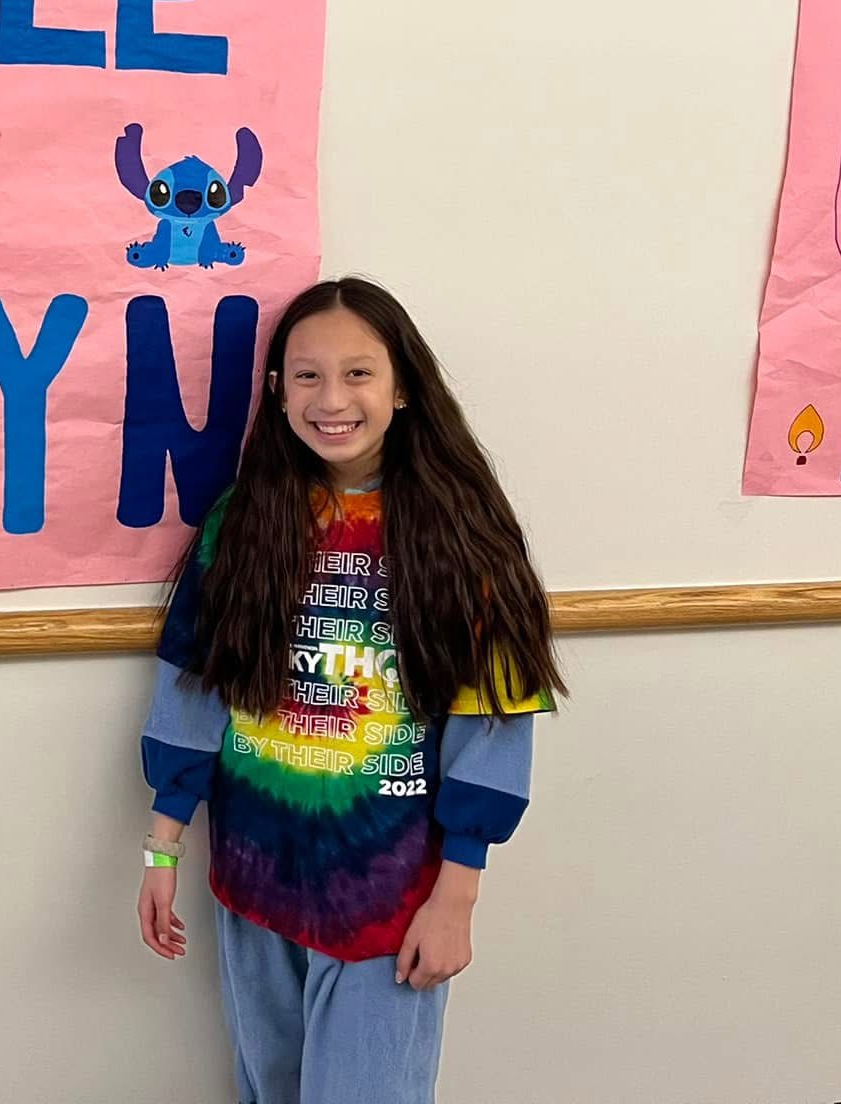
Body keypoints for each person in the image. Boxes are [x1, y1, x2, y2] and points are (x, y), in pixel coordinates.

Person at [136, 276, 564, 1104]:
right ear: (277, 389)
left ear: (403, 385)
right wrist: (162, 845)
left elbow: (497, 720)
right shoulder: (244, 519)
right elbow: (193, 684)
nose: (332, 399)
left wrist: (458, 895)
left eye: (358, 373)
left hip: (389, 893)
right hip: (255, 877)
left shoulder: (464, 529)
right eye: (306, 375)